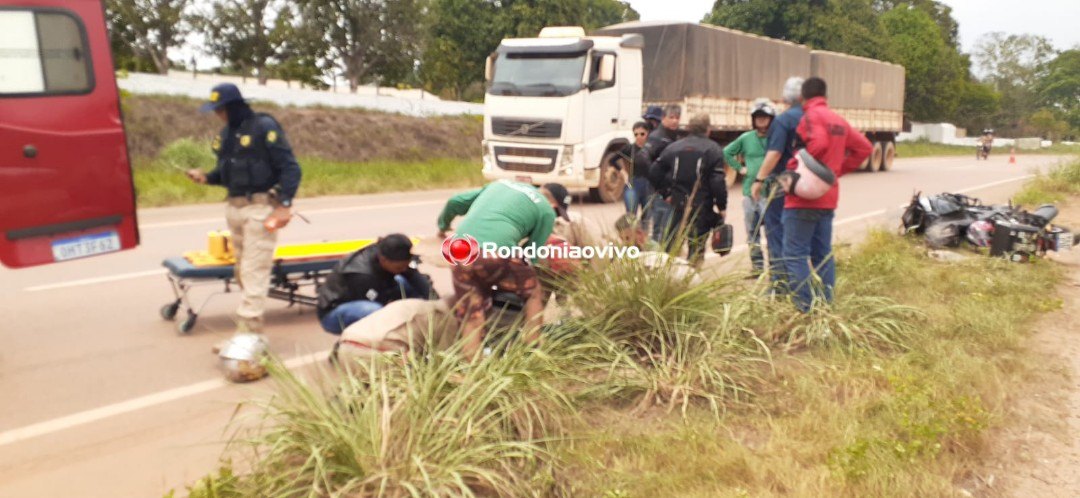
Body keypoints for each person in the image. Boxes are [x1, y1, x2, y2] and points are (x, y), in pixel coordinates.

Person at [186, 83, 301, 337]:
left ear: (234, 106)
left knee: (254, 271)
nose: (218, 115)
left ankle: (248, 336)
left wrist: (284, 205)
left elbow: (291, 168)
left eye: (221, 109)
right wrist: (206, 177)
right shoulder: (227, 134)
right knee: (242, 272)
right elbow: (226, 173)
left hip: (260, 208)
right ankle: (249, 331)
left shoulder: (264, 127)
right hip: (235, 208)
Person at [436, 180, 571, 358]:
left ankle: (473, 370)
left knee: (473, 314)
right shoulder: (546, 211)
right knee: (534, 293)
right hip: (496, 251)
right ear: (554, 205)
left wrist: (443, 226)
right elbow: (532, 255)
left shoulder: (499, 185)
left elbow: (454, 202)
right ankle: (533, 351)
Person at [781, 77, 872, 312]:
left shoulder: (811, 116)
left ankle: (805, 309)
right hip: (827, 199)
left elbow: (819, 143)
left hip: (802, 198)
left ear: (802, 96)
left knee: (795, 255)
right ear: (826, 96)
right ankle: (826, 306)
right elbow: (864, 148)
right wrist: (836, 171)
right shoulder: (838, 119)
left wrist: (799, 164)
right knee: (822, 254)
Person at [648, 113, 728, 265]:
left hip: (677, 204)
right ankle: (692, 278)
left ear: (689, 128)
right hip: (702, 208)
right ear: (708, 129)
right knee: (696, 248)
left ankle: (667, 277)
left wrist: (665, 193)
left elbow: (654, 172)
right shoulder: (713, 149)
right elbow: (717, 181)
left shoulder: (674, 147)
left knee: (670, 246)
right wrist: (722, 206)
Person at [316, 234, 436, 334]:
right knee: (377, 312)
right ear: (383, 260)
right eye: (400, 267)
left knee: (406, 283)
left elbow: (417, 279)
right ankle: (345, 347)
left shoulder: (390, 255)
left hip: (368, 296)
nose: (404, 269)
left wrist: (436, 305)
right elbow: (381, 306)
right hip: (334, 314)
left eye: (406, 265)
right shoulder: (363, 275)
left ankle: (425, 329)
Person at [750, 77, 805, 291]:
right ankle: (804, 287)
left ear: (786, 97)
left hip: (783, 182)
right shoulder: (815, 118)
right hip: (809, 183)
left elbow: (774, 154)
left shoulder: (784, 120)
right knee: (801, 238)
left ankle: (780, 287)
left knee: (777, 235)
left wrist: (758, 180)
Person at [723, 99, 776, 277]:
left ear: (771, 119)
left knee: (773, 233)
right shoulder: (746, 138)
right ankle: (757, 268)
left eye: (765, 118)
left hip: (770, 193)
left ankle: (776, 268)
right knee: (752, 234)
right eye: (758, 118)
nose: (761, 121)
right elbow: (727, 152)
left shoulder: (775, 138)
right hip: (749, 194)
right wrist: (740, 169)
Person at [644, 104, 682, 244]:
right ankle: (658, 262)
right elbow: (648, 166)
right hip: (660, 193)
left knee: (672, 231)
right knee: (660, 230)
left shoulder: (676, 137)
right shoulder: (656, 138)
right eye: (671, 117)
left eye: (677, 118)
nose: (674, 121)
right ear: (663, 118)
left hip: (674, 191)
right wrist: (664, 191)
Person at [609, 121, 653, 219]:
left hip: (650, 185)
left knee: (647, 217)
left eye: (642, 134)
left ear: (647, 134)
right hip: (633, 184)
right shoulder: (630, 148)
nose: (639, 137)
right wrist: (622, 172)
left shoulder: (651, 148)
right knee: (631, 217)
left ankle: (644, 233)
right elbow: (612, 160)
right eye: (636, 134)